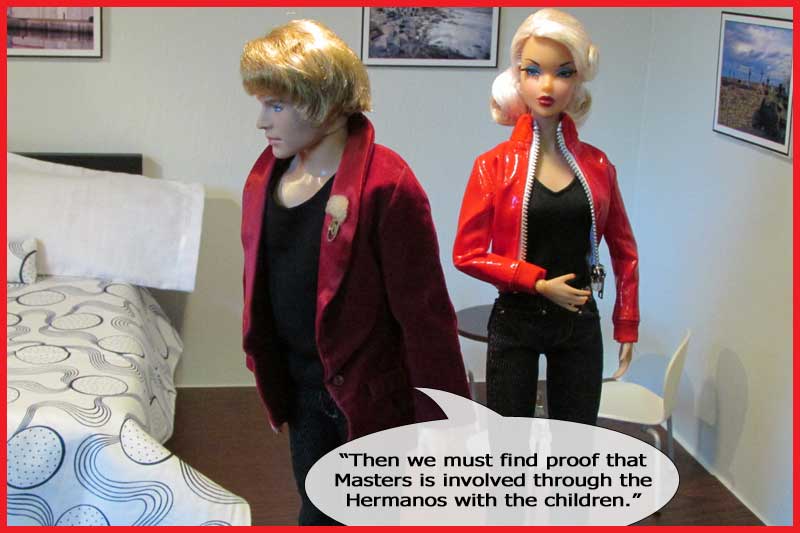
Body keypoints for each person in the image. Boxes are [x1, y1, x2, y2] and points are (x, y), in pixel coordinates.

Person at [239, 19, 471, 525]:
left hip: (371, 399)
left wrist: (447, 420)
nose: (261, 121)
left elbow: (426, 318)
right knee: (316, 506)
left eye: (276, 105)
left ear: (321, 101)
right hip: (302, 392)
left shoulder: (387, 185)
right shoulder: (264, 179)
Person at [453, 9, 639, 425]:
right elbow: (466, 253)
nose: (548, 85)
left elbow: (624, 250)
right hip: (517, 316)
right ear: (517, 77)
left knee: (577, 441)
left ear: (579, 79)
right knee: (508, 441)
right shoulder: (493, 166)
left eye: (563, 72)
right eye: (533, 71)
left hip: (578, 317)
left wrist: (627, 322)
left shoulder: (598, 166)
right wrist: (535, 282)